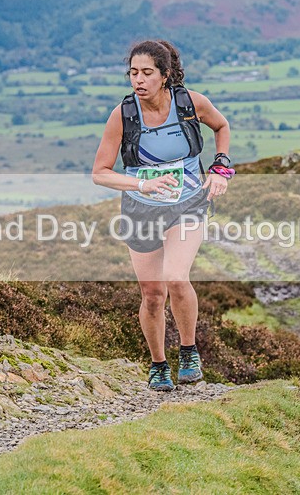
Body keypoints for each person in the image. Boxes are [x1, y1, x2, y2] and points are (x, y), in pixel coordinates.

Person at [92, 40, 232, 391]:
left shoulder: (190, 103)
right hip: (140, 210)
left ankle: (188, 351)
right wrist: (140, 186)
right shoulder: (122, 115)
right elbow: (100, 172)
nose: (138, 80)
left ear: (165, 76)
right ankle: (158, 365)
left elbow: (222, 127)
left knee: (175, 277)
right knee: (153, 294)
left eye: (147, 73)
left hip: (187, 204)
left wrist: (220, 168)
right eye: (133, 73)